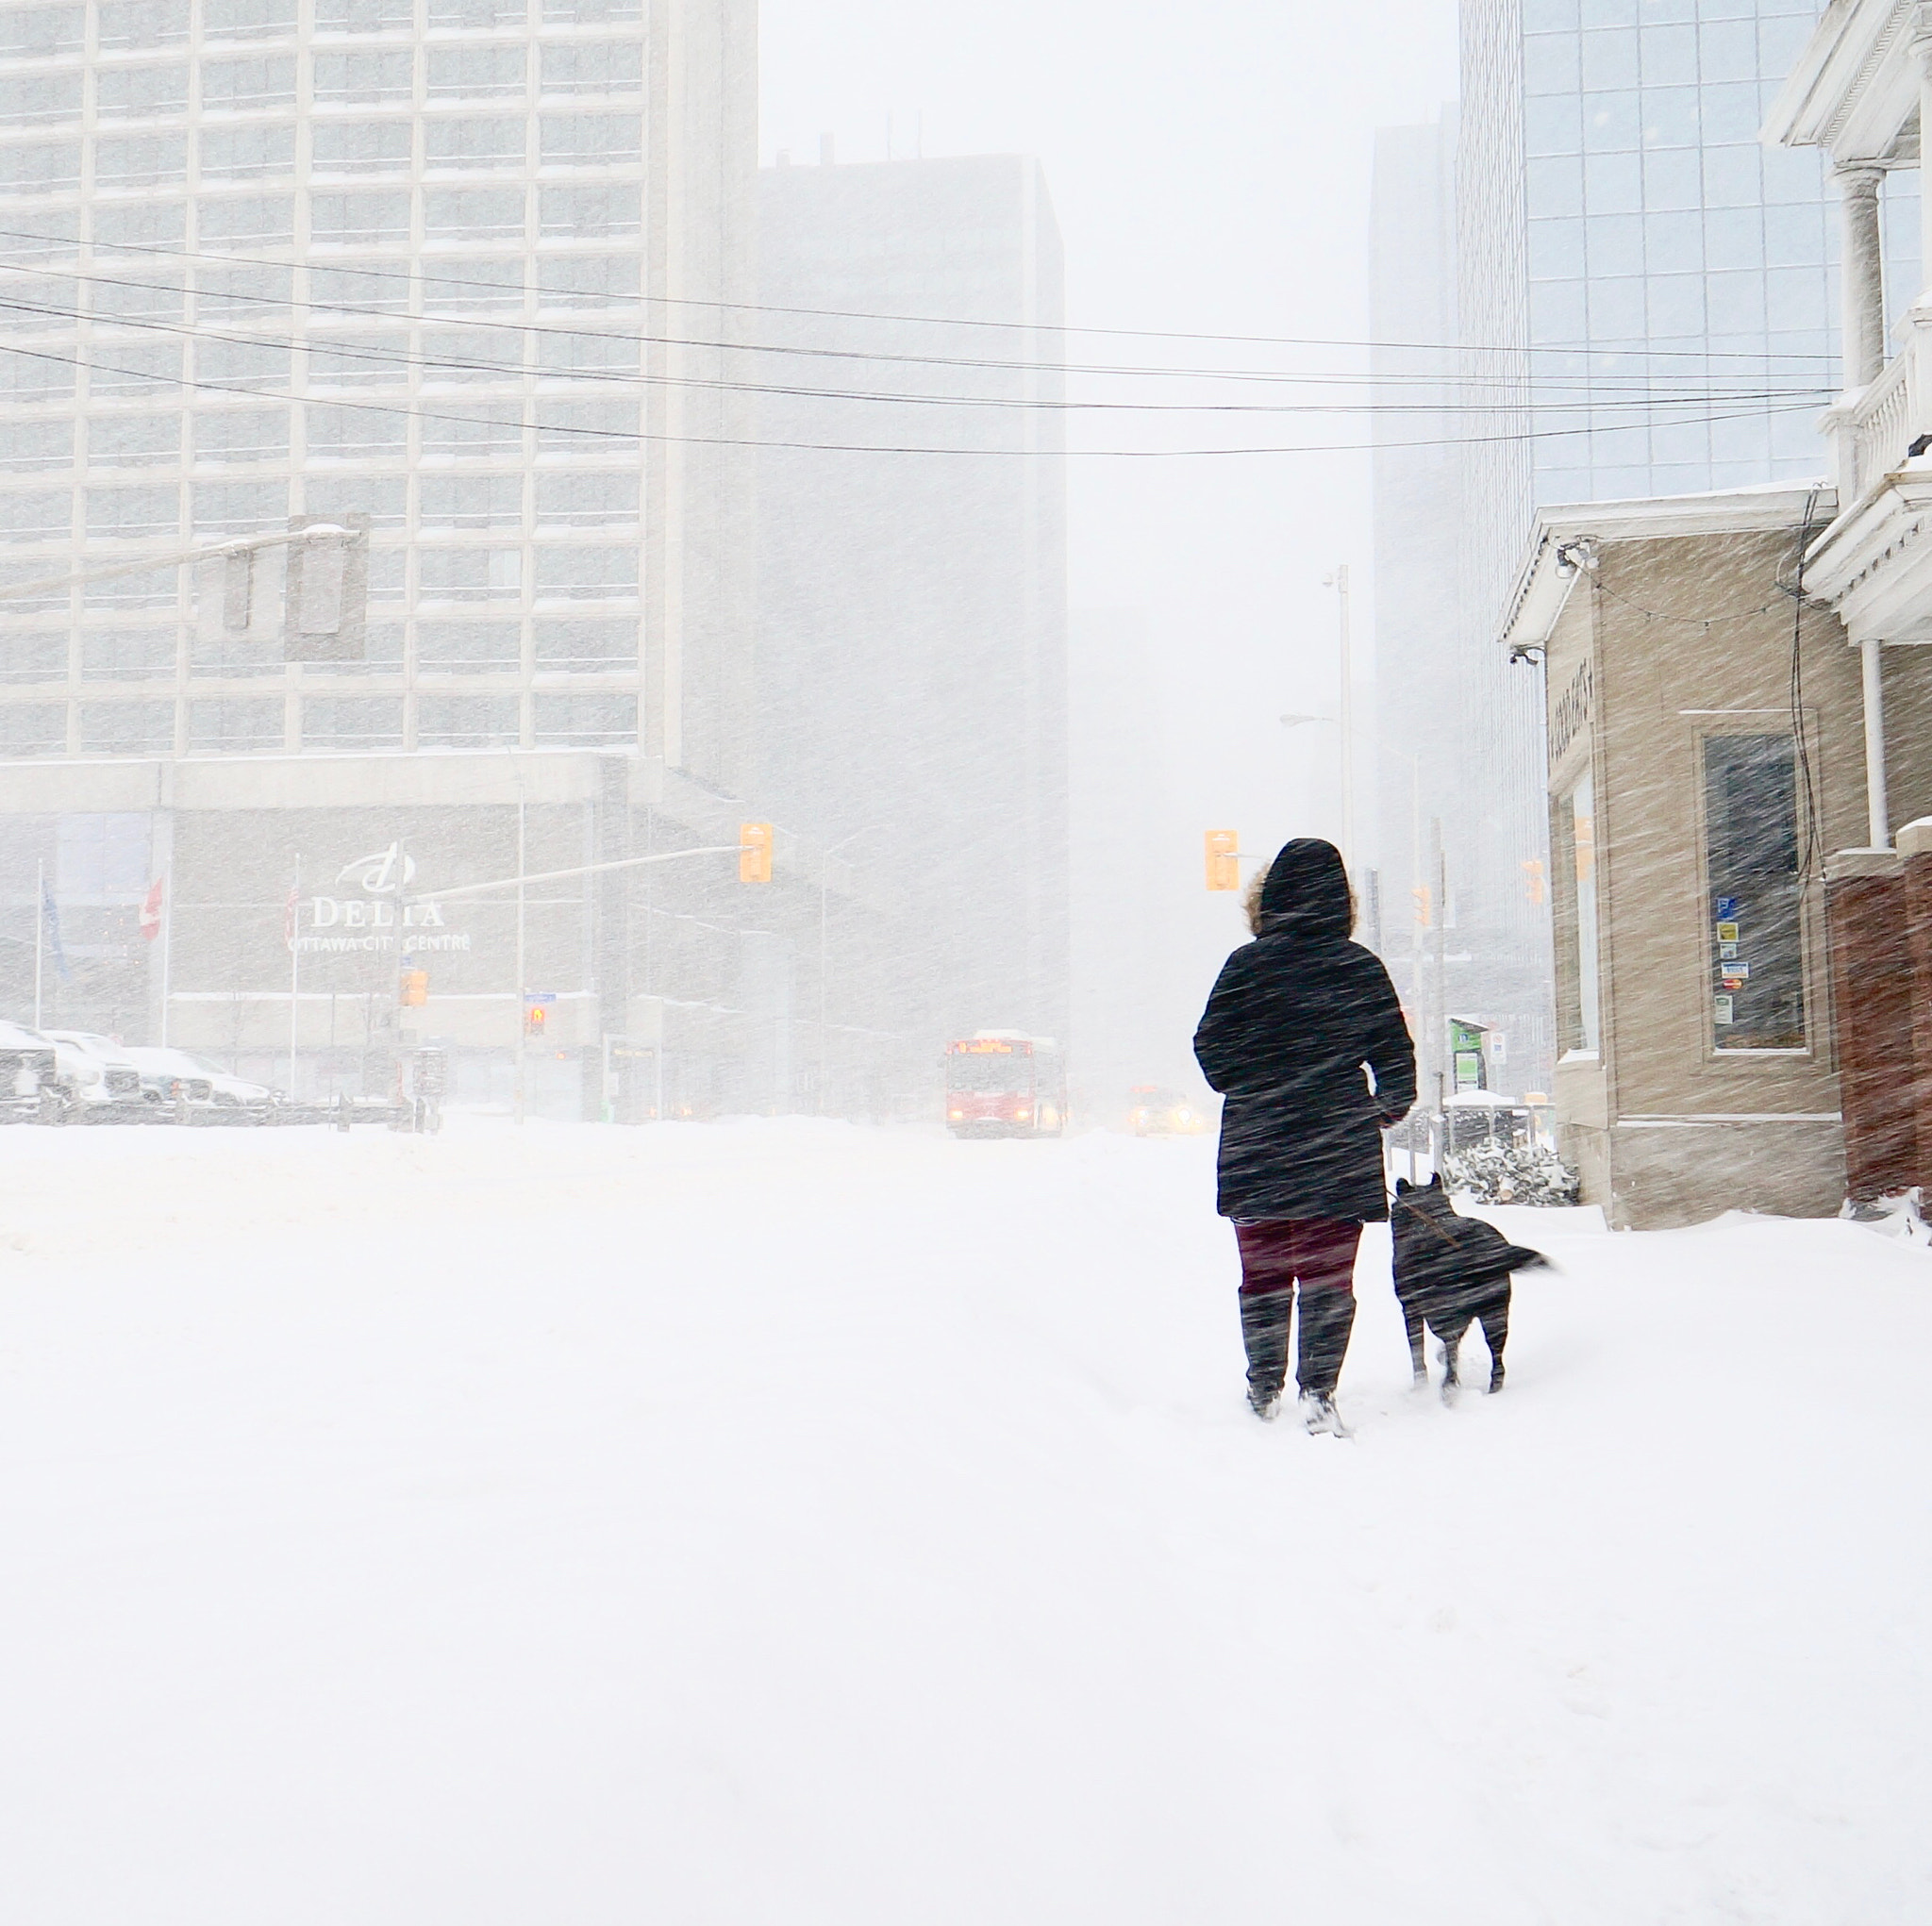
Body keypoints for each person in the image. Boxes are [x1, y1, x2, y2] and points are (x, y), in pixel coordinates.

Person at [1192, 838, 1416, 1434]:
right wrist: (1380, 1110)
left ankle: (1263, 1385)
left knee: (1263, 1272)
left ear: (1268, 898)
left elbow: (1210, 1046)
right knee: (1327, 1275)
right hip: (1336, 1143)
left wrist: (1255, 1085)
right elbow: (1396, 1057)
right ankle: (1319, 1391)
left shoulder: (1246, 966)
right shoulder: (1360, 967)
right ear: (1341, 901)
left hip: (1259, 1143)